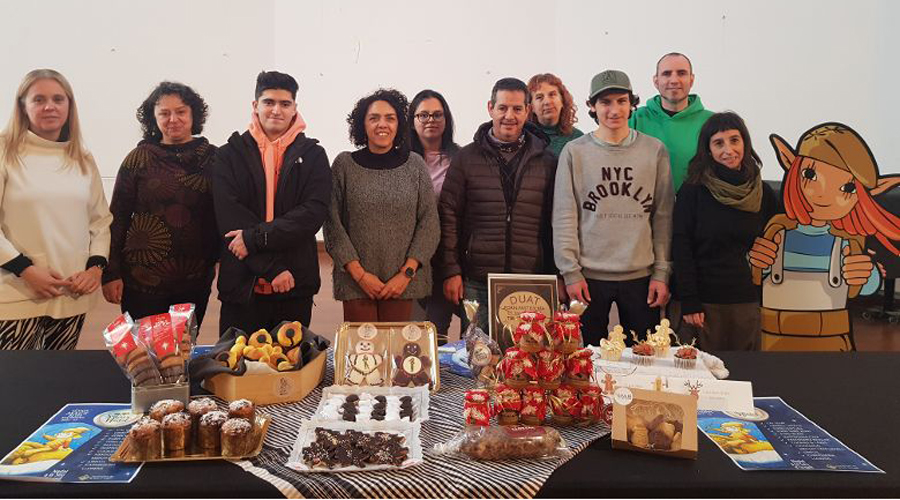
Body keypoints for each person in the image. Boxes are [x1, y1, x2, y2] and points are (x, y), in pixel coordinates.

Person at [749, 122, 900, 351]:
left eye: (847, 188)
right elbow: (756, 273)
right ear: (794, 169)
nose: (823, 194)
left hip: (831, 343)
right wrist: (754, 261)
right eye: (811, 175)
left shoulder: (849, 243)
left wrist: (865, 275)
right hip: (773, 341)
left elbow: (866, 284)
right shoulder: (776, 232)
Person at [553, 70, 674, 347]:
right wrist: (570, 272)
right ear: (593, 107)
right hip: (588, 277)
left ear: (632, 103)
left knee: (645, 359)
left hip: (641, 276)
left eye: (621, 101)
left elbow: (663, 217)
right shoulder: (575, 152)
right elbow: (564, 217)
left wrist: (662, 272)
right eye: (605, 102)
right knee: (589, 361)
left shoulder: (654, 150)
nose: (614, 109)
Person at [212, 71, 332, 335]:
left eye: (285, 104)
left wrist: (256, 239)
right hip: (242, 287)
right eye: (269, 102)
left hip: (293, 285)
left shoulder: (313, 155)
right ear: (255, 106)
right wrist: (272, 268)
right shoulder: (228, 155)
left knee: (290, 371)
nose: (276, 110)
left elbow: (312, 214)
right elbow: (230, 219)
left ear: (294, 109)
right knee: (239, 368)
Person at [0, 69, 112, 349]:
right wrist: (25, 270)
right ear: (23, 107)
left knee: (55, 383)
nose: (50, 106)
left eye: (58, 99)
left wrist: (95, 269)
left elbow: (100, 222)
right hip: (17, 292)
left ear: (69, 106)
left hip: (71, 294)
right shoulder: (5, 152)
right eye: (39, 99)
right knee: (17, 386)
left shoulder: (82, 158)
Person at [439, 77, 557, 333]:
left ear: (528, 111)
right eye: (502, 108)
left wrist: (555, 274)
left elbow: (554, 222)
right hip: (477, 279)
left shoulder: (547, 161)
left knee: (525, 358)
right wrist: (452, 270)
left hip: (529, 281)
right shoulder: (465, 158)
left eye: (517, 109)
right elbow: (448, 215)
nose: (509, 116)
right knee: (475, 357)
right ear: (490, 107)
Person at [102, 82, 219, 326]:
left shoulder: (214, 158)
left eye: (181, 111)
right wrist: (111, 273)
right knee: (144, 354)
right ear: (153, 118)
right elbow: (118, 216)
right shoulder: (139, 158)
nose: (173, 119)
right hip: (142, 278)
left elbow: (225, 214)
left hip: (195, 274)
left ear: (193, 114)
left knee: (183, 350)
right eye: (164, 113)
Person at [324, 88, 439, 322]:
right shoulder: (344, 165)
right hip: (356, 283)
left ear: (399, 125)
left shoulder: (415, 165)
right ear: (361, 125)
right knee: (362, 355)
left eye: (390, 118)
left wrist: (406, 274)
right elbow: (332, 224)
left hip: (404, 282)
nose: (382, 124)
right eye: (373, 118)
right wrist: (360, 275)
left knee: (398, 354)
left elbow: (429, 223)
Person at [671, 112, 779, 350]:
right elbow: (681, 247)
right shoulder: (693, 191)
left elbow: (771, 244)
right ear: (708, 150)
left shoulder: (763, 194)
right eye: (718, 143)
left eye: (734, 140)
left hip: (743, 300)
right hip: (700, 304)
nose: (728, 150)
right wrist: (690, 302)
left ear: (745, 143)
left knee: (744, 375)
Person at [408, 89, 461, 343]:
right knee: (415, 339)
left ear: (447, 119)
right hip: (411, 260)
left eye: (437, 114)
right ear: (412, 120)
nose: (431, 120)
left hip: (448, 256)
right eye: (423, 114)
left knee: (438, 333)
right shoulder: (401, 159)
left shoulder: (461, 158)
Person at [629, 53, 713, 192]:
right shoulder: (635, 119)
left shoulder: (712, 122)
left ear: (691, 80)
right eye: (667, 74)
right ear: (656, 81)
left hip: (696, 208)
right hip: (645, 208)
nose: (674, 80)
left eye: (681, 73)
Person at [527, 73, 583, 157]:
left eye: (552, 94)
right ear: (531, 107)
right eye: (539, 97)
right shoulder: (523, 139)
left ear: (562, 100)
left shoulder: (578, 139)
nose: (547, 102)